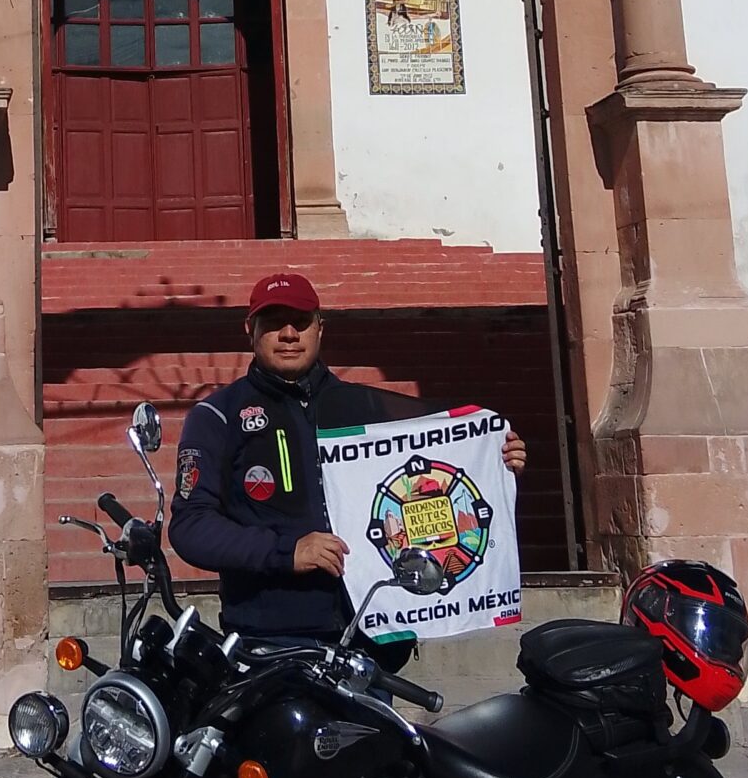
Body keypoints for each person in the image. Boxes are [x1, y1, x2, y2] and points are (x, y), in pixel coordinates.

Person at [166, 270, 527, 643]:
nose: (289, 334)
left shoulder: (368, 407)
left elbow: (423, 484)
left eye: (301, 322)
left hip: (374, 632)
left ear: (320, 328)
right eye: (273, 322)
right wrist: (286, 552)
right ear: (250, 329)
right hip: (271, 638)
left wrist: (493, 464)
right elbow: (191, 527)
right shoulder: (218, 416)